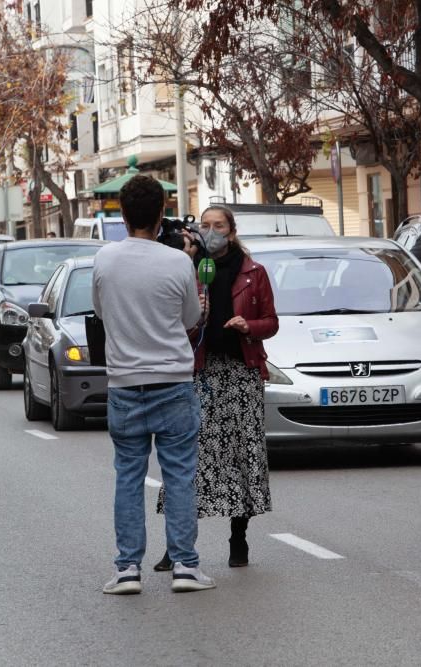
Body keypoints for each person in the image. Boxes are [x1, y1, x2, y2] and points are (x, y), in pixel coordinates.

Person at [91, 175, 216, 595]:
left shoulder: (105, 260)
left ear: (123, 216)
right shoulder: (178, 261)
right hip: (173, 381)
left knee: (128, 476)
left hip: (125, 383)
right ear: (161, 213)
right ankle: (185, 565)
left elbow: (102, 313)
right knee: (179, 475)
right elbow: (188, 320)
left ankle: (127, 569)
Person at [154, 204, 279, 570]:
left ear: (232, 230)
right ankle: (176, 546)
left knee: (242, 457)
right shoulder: (188, 270)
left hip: (241, 374)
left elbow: (271, 321)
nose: (211, 231)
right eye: (205, 225)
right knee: (189, 460)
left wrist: (249, 326)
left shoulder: (254, 273)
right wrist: (196, 312)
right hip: (199, 374)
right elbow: (171, 323)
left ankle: (238, 539)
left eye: (218, 225)